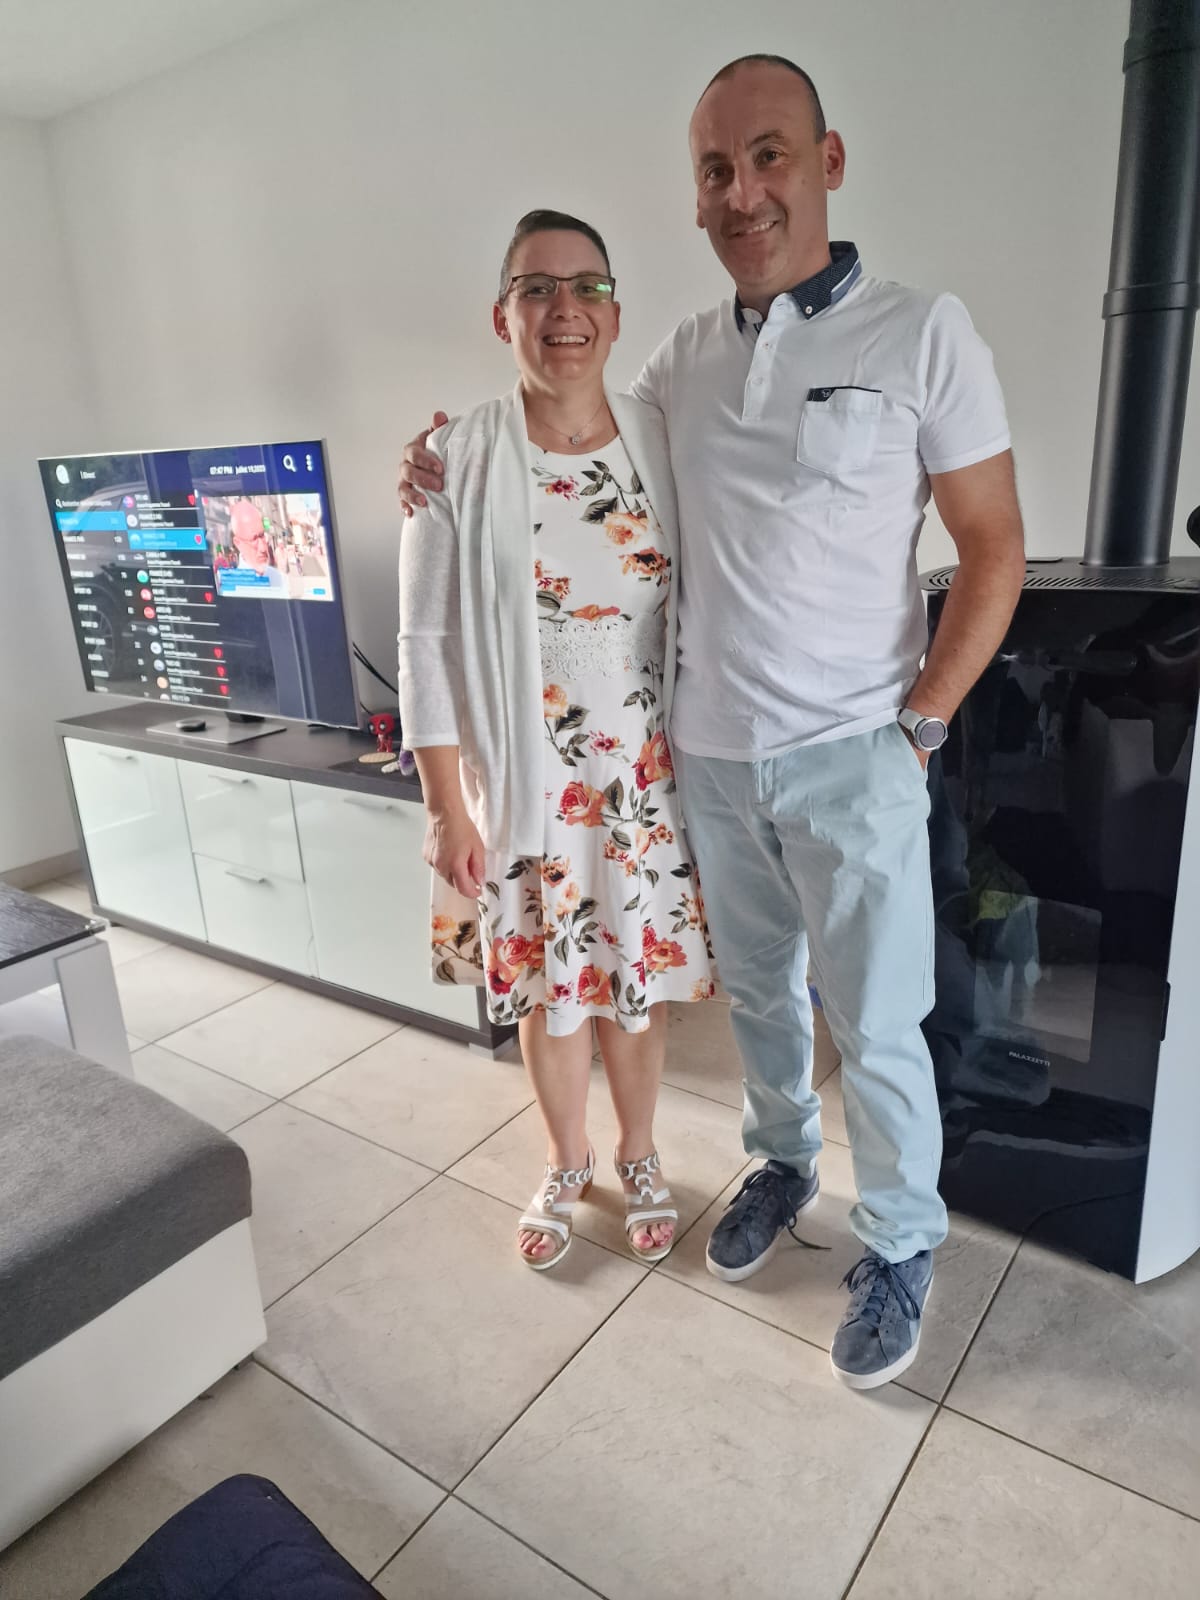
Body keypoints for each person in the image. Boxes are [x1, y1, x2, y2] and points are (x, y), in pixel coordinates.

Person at [399, 56, 1025, 1386]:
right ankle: (782, 1163)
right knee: (761, 1001)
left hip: (854, 753)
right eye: (716, 171)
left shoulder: (923, 333)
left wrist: (919, 726)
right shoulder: (680, 362)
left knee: (879, 1022)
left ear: (828, 161)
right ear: (695, 198)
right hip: (711, 763)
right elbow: (564, 434)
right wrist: (440, 461)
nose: (744, 193)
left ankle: (901, 1241)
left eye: (769, 157)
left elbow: (996, 549)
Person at [397, 208, 715, 1274]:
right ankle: (567, 1161)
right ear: (504, 316)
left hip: (644, 780)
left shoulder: (661, 437)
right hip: (525, 782)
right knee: (550, 989)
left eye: (587, 287)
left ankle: (639, 1154)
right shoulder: (455, 456)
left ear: (616, 314)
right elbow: (425, 642)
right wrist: (445, 806)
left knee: (634, 984)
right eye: (537, 288)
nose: (564, 308)